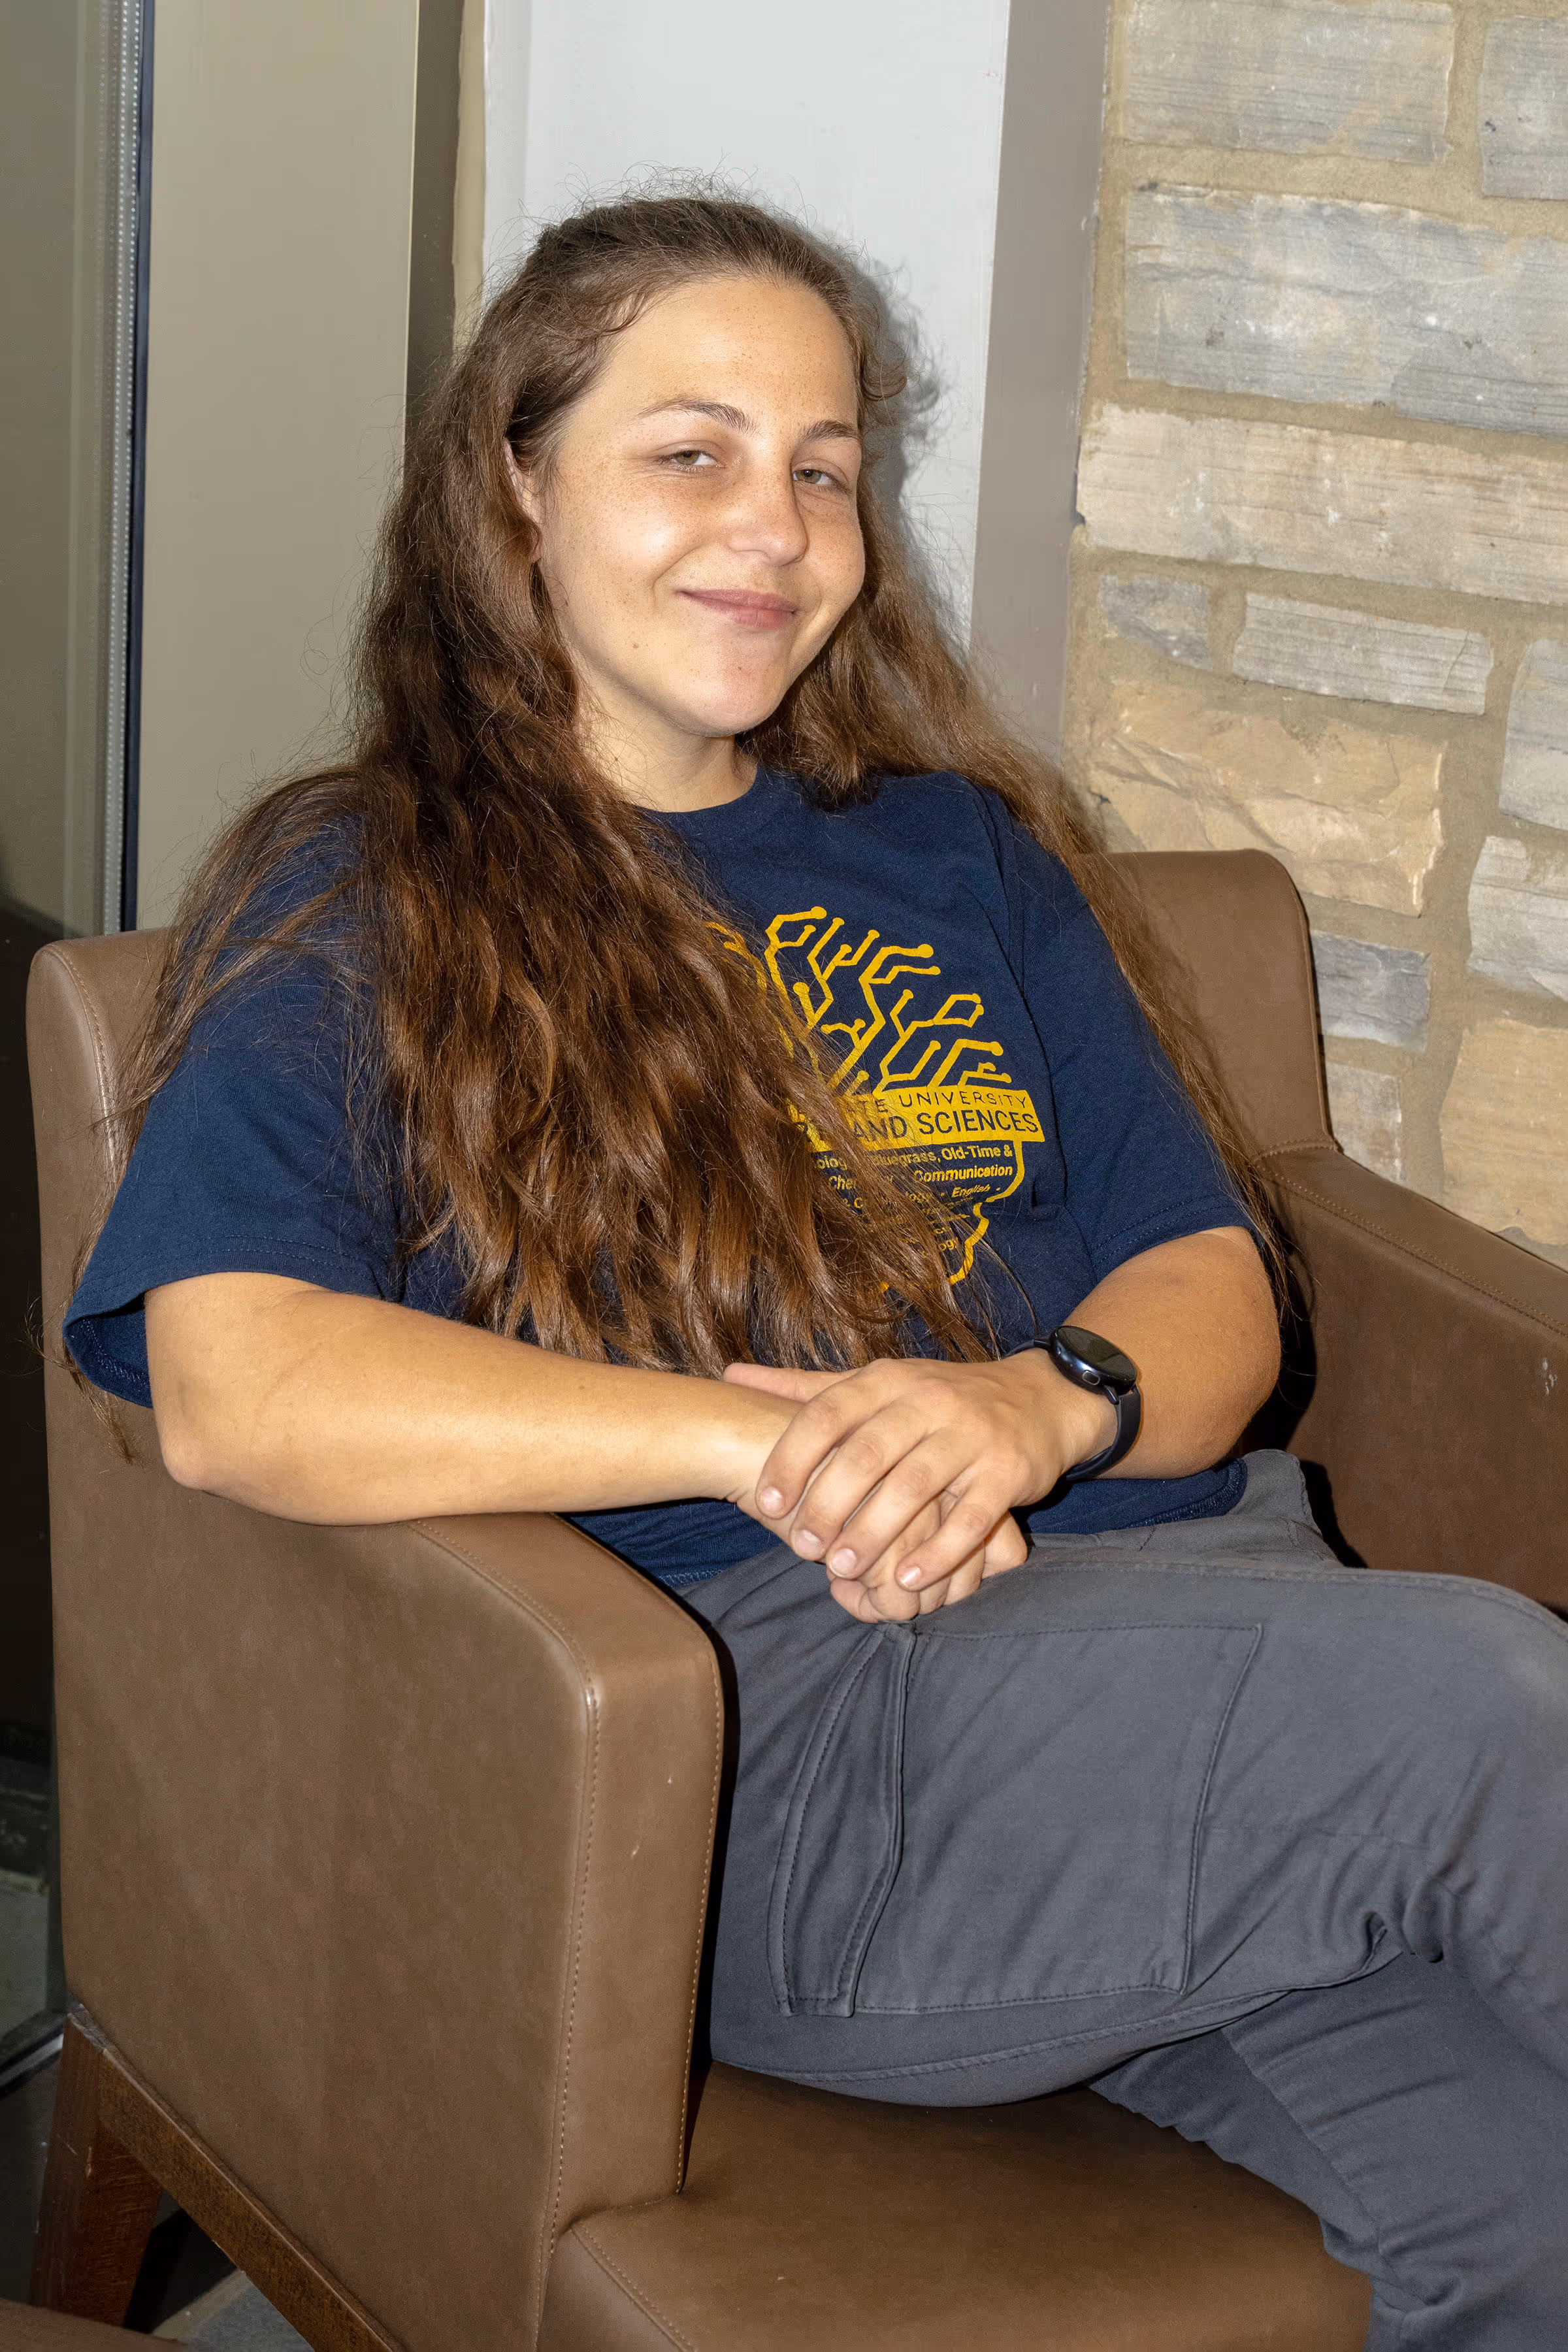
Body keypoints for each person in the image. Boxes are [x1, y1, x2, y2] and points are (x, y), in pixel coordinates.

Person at [66, 193, 1568, 2347]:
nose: (773, 525)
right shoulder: (370, 886)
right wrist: (784, 1445)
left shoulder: (964, 851)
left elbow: (1214, 1287)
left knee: (1525, 2217)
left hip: (1193, 1675)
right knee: (1486, 1696)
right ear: (517, 486)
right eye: (689, 451)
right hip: (803, 1745)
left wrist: (1035, 1404)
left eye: (825, 467)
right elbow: (231, 1376)